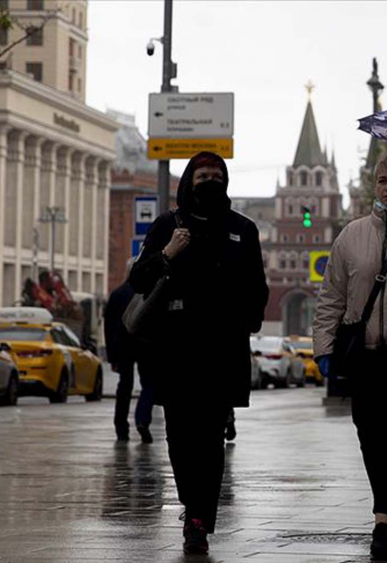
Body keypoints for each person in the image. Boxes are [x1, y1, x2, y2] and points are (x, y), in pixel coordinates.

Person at [127, 151, 268, 555]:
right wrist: (169, 251)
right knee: (179, 438)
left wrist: (248, 320)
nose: (210, 180)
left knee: (210, 440)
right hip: (175, 350)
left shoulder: (243, 228)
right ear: (189, 181)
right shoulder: (168, 226)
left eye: (217, 174)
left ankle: (199, 518)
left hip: (222, 351)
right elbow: (139, 278)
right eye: (202, 174)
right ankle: (193, 505)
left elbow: (258, 286)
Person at [313, 155, 387, 561]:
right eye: (381, 180)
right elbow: (332, 297)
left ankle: (383, 518)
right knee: (369, 436)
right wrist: (324, 348)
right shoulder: (351, 235)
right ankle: (385, 509)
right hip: (363, 355)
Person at [105, 258, 153, 443]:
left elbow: (108, 326)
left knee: (124, 386)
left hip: (122, 346)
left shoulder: (118, 294)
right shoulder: (148, 291)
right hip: (145, 345)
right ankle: (142, 419)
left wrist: (111, 355)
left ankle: (121, 428)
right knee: (149, 384)